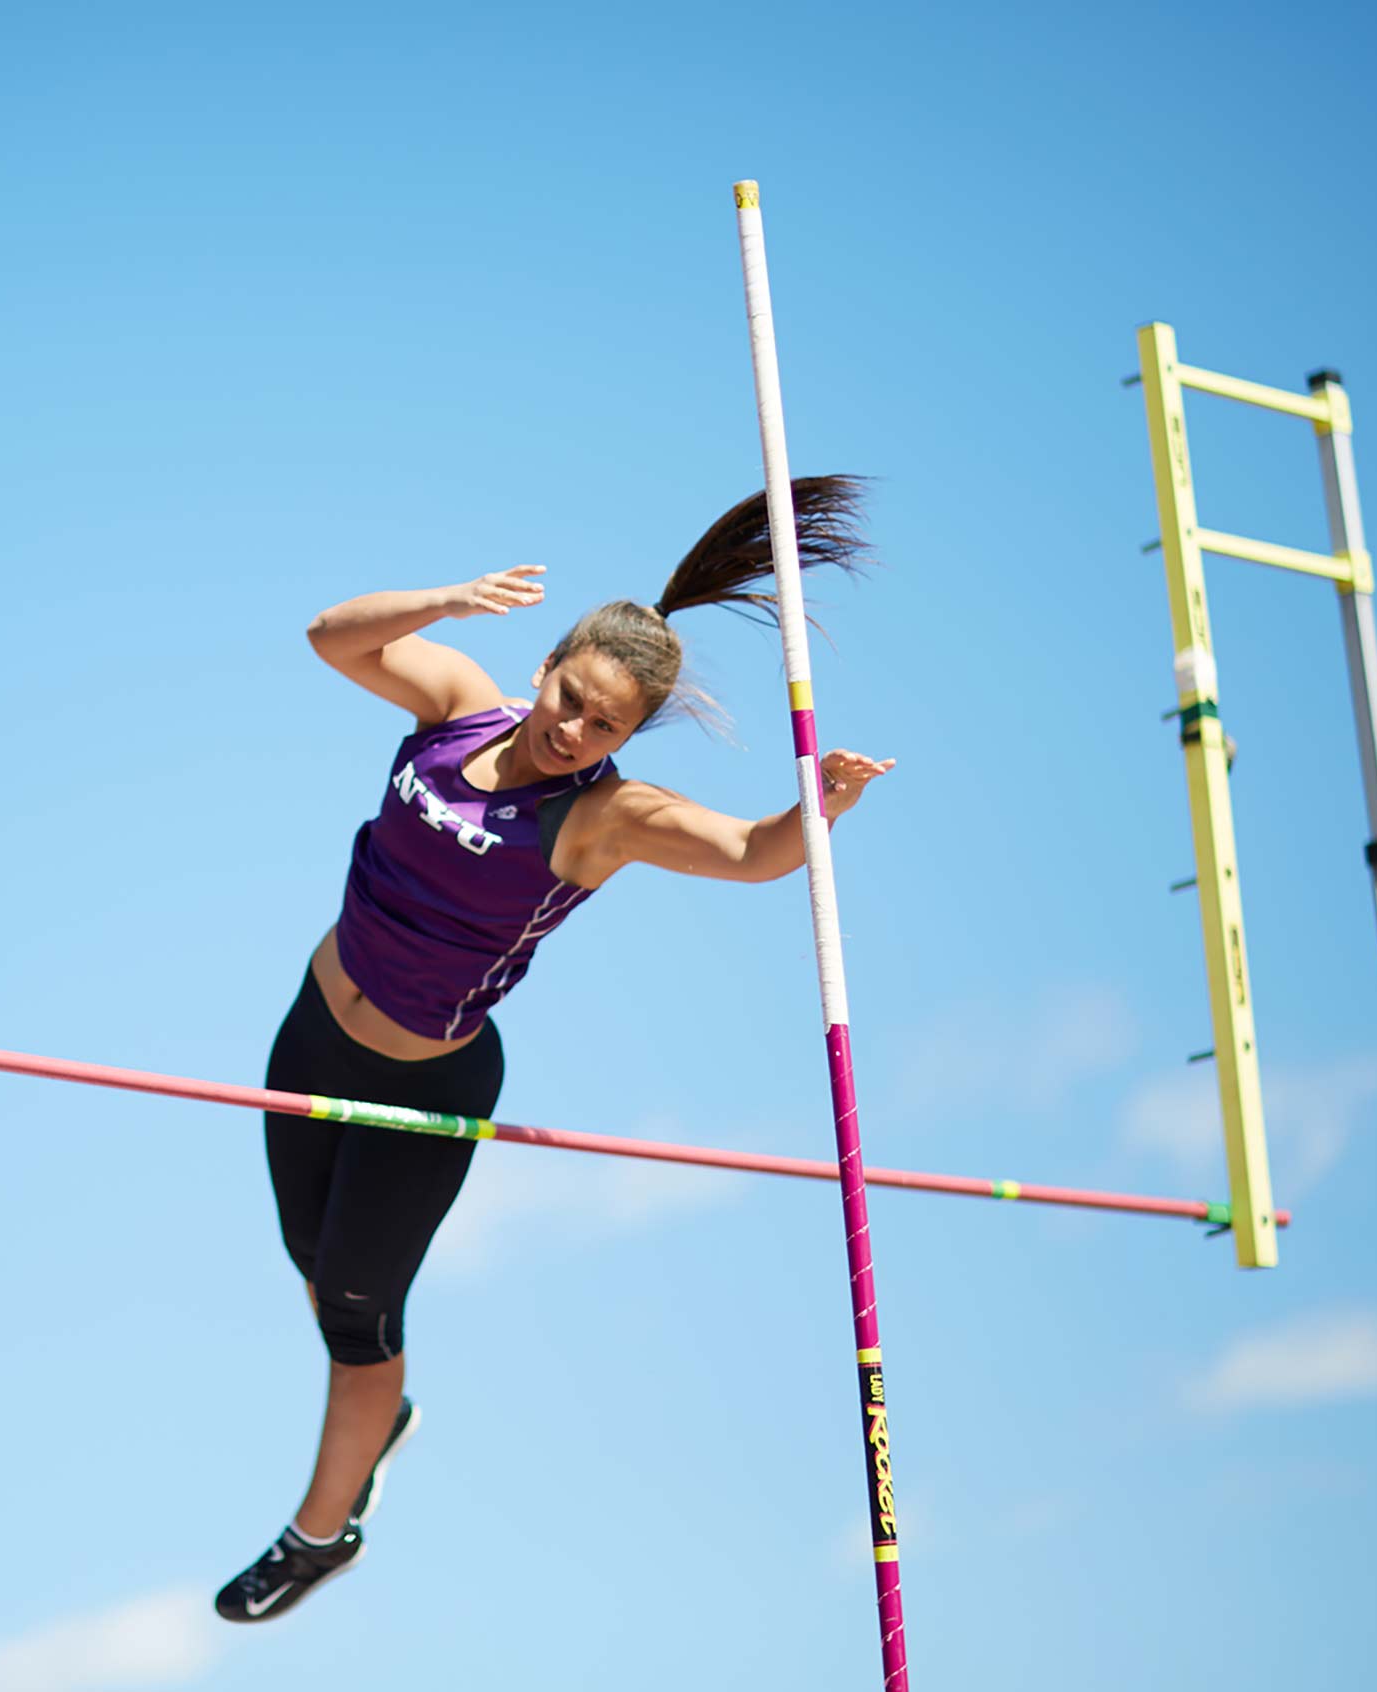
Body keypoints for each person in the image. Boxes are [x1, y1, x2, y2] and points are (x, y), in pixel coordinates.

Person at [214, 480, 894, 1624]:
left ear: (627, 738)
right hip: (312, 1028)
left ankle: (318, 1533)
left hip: (421, 1086)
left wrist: (818, 807)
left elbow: (747, 850)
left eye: (604, 726)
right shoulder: (459, 707)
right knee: (309, 1260)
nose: (573, 731)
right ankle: (381, 1413)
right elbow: (331, 637)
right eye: (571, 700)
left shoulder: (601, 818)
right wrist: (442, 598)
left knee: (353, 1322)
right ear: (545, 668)